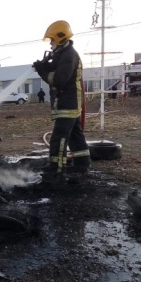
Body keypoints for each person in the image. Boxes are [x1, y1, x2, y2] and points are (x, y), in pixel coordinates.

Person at [32, 20, 91, 177]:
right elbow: (55, 67)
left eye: (52, 40)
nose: (50, 43)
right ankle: (82, 164)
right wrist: (43, 65)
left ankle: (56, 169)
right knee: (75, 135)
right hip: (68, 101)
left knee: (59, 137)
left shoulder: (69, 55)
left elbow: (58, 80)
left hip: (68, 103)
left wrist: (42, 72)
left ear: (59, 38)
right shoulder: (63, 54)